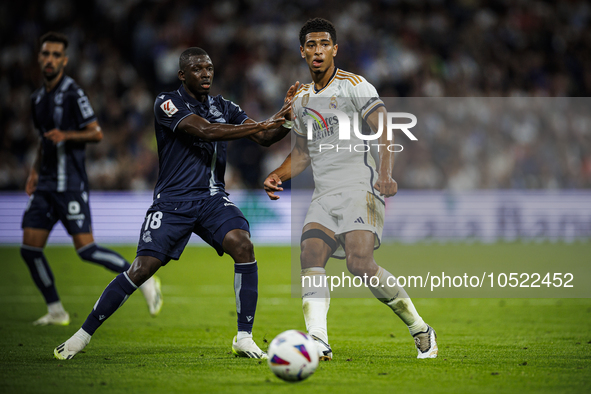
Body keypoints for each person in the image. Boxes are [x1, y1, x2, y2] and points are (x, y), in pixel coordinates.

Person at [54, 47, 298, 360]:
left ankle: (244, 337)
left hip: (211, 198)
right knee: (142, 269)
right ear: (182, 74)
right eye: (197, 69)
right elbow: (206, 131)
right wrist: (266, 122)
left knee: (243, 245)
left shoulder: (224, 106)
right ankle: (81, 335)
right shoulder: (166, 103)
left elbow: (264, 139)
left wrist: (285, 119)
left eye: (209, 68)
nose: (206, 73)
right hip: (173, 202)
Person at [263, 18, 438, 360]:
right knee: (310, 255)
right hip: (323, 195)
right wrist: (278, 174)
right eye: (311, 45)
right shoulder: (300, 100)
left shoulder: (355, 86)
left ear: (334, 49)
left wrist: (386, 174)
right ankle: (318, 341)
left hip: (361, 186)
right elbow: (301, 153)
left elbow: (385, 128)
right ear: (302, 51)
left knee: (359, 264)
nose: (317, 51)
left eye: (324, 44)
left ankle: (420, 329)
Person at [22, 32, 162, 327]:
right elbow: (42, 140)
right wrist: (34, 171)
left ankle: (144, 279)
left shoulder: (73, 93)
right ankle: (56, 310)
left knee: (86, 250)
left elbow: (96, 132)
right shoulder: (37, 99)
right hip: (45, 184)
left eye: (55, 55)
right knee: (30, 249)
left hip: (70, 185)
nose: (49, 60)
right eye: (45, 54)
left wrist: (68, 135)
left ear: (64, 60)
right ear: (40, 57)